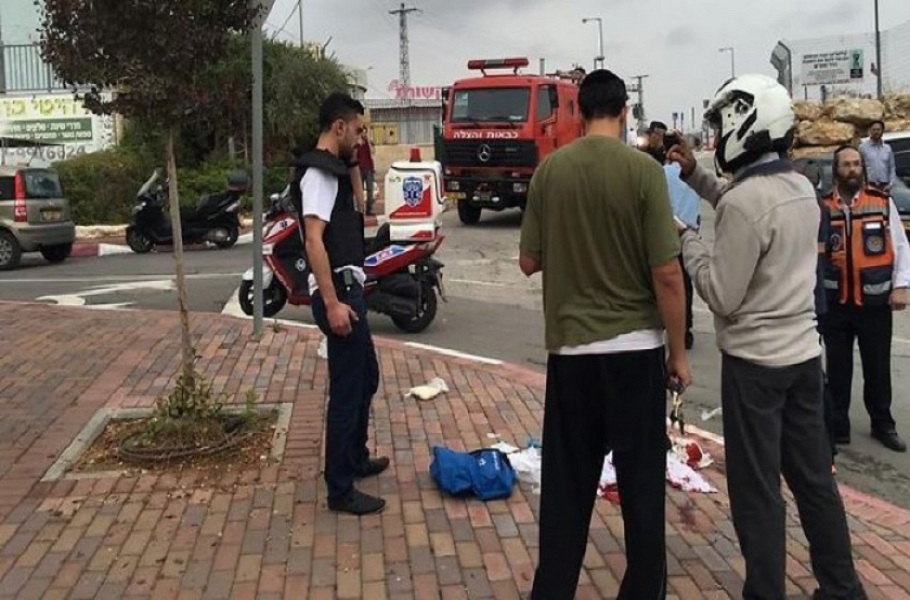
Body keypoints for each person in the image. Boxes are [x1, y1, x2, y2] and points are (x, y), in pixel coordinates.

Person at [670, 74, 866, 599]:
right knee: (815, 483)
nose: (717, 139)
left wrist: (688, 241)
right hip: (803, 360)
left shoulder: (745, 203)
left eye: (722, 128)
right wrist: (696, 177)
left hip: (754, 368)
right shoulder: (800, 188)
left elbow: (721, 293)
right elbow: (750, 207)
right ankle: (843, 588)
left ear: (746, 127)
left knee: (758, 494)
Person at [519, 69, 691, 600]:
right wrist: (679, 355)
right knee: (642, 491)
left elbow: (528, 261)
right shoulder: (643, 172)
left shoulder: (550, 172)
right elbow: (667, 274)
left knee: (566, 492)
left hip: (571, 353)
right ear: (623, 113)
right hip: (635, 353)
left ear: (578, 113)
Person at [295, 92, 389, 516]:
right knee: (347, 393)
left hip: (349, 289)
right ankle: (340, 489)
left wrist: (353, 163)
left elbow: (358, 208)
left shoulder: (335, 169)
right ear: (338, 127)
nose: (361, 138)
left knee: (366, 377)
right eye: (357, 130)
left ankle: (354, 457)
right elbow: (314, 241)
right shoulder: (317, 175)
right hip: (338, 295)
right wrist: (332, 303)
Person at [819, 145, 910, 453]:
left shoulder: (881, 203)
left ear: (863, 169)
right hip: (835, 303)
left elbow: (901, 246)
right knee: (837, 367)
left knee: (877, 367)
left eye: (857, 164)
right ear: (836, 170)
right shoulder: (823, 207)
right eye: (846, 165)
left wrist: (901, 286)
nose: (852, 169)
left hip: (875, 303)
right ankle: (837, 426)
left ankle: (883, 424)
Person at [664, 153, 701, 349]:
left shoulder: (662, 173)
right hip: (690, 232)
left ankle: (668, 325)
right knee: (686, 285)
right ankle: (686, 330)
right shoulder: (693, 175)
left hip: (669, 233)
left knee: (667, 283)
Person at [859, 120, 898, 192]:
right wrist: (864, 184)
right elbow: (860, 167)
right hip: (870, 185)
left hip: (885, 186)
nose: (876, 132)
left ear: (882, 131)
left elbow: (892, 167)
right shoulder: (863, 148)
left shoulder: (887, 148)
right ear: (870, 131)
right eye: (874, 129)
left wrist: (891, 184)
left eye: (878, 129)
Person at [355, 131, 376, 215]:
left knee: (370, 189)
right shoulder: (357, 142)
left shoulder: (368, 142)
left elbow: (373, 152)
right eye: (362, 132)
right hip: (359, 168)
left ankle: (369, 209)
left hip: (368, 168)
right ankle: (359, 209)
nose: (363, 134)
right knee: (359, 189)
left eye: (365, 132)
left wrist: (369, 141)